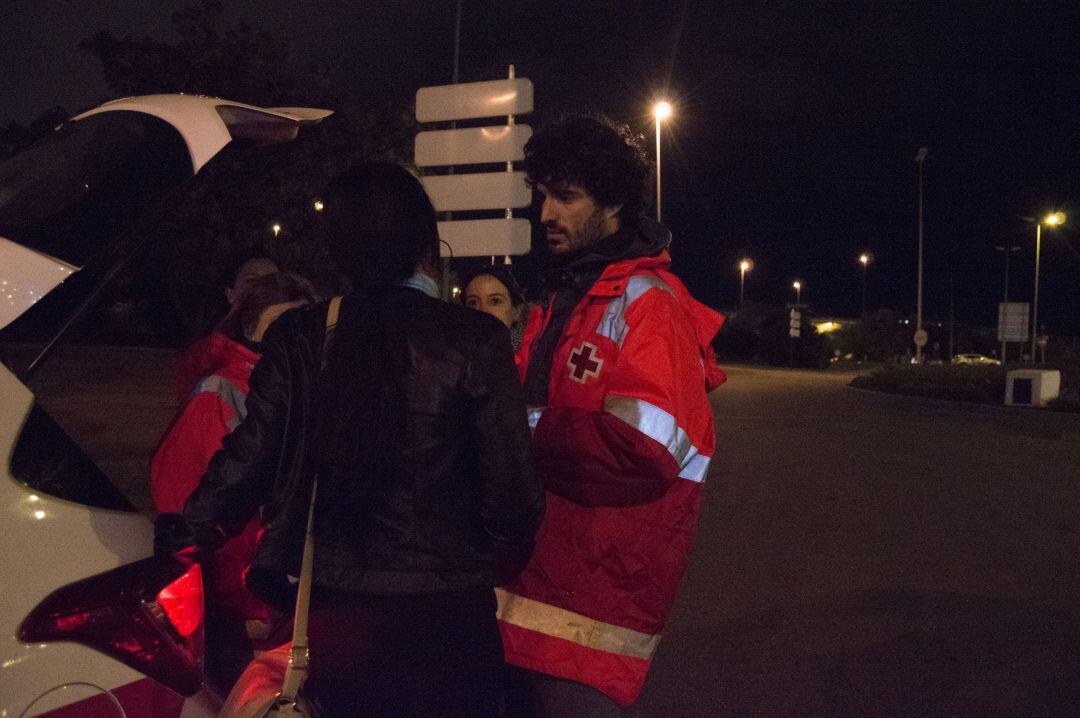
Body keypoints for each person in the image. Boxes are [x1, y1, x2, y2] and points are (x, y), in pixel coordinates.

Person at [155, 162, 545, 717]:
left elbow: (245, 465)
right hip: (450, 617)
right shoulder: (475, 339)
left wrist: (177, 540)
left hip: (340, 617)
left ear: (339, 251)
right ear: (425, 245)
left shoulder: (302, 336)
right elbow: (515, 506)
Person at [497, 115, 727, 715]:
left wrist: (517, 431)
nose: (545, 213)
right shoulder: (564, 296)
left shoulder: (650, 305)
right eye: (540, 195)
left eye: (566, 197)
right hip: (529, 591)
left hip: (591, 615)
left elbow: (644, 448)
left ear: (614, 203)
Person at [151, 270, 320, 693]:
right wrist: (244, 600)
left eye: (299, 330)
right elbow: (184, 502)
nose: (287, 344)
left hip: (289, 606)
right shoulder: (221, 392)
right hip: (244, 611)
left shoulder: (309, 391)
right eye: (276, 331)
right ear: (248, 330)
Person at [173, 249, 280, 402]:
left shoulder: (301, 351)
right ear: (230, 294)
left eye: (271, 281)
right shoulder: (207, 357)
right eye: (250, 280)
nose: (261, 288)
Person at [460, 264, 529, 350]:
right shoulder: (452, 356)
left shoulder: (536, 356)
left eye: (495, 301)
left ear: (516, 311)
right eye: (473, 302)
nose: (483, 311)